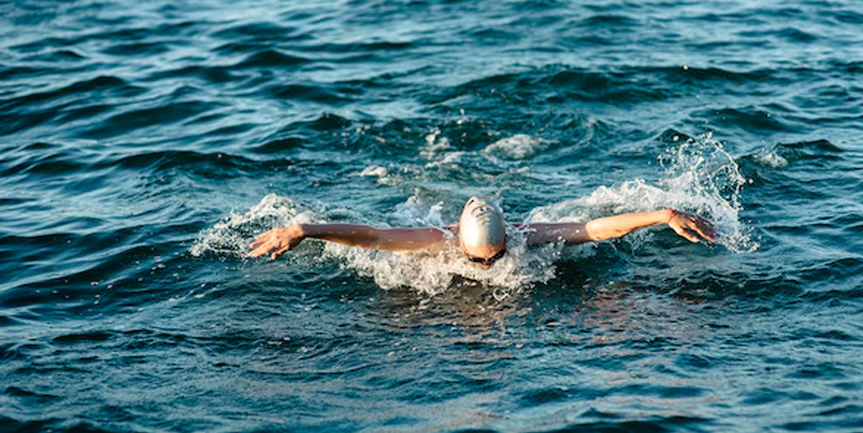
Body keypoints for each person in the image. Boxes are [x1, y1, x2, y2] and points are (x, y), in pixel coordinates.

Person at [249, 196, 717, 269]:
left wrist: (663, 214)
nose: (491, 266)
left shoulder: (526, 236)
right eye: (482, 260)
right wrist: (303, 229)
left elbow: (593, 228)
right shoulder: (438, 242)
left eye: (496, 256)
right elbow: (371, 237)